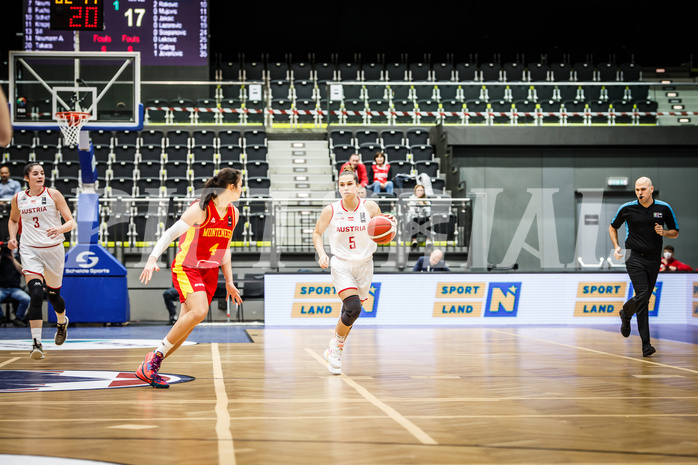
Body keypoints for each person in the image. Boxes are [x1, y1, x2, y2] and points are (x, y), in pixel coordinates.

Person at [136, 168, 244, 388]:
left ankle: (149, 367)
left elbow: (225, 250)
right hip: (188, 267)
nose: (242, 189)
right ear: (231, 187)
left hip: (210, 271)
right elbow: (170, 233)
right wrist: (152, 258)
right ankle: (154, 357)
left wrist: (229, 281)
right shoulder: (200, 208)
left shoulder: (234, 213)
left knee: (187, 324)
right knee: (200, 311)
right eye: (241, 185)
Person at [313, 168, 393, 375]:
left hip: (365, 264)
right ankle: (337, 349)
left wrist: (391, 225)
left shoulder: (370, 207)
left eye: (350, 184)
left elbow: (385, 228)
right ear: (338, 187)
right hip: (341, 264)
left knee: (350, 313)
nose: (345, 188)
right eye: (342, 184)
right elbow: (317, 233)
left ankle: (334, 345)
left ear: (358, 186)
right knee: (353, 308)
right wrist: (322, 253)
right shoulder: (331, 210)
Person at [8, 162, 75, 359]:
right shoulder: (18, 198)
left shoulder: (53, 194)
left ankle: (62, 322)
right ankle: (36, 344)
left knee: (54, 296)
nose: (40, 176)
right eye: (35, 173)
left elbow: (71, 221)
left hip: (53, 250)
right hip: (29, 250)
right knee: (36, 294)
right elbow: (13, 220)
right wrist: (13, 237)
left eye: (42, 173)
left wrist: (59, 229)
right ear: (27, 178)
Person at [609, 176, 679, 357]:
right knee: (642, 295)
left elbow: (675, 232)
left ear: (651, 189)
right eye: (637, 189)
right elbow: (612, 227)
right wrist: (617, 247)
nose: (640, 192)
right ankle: (644, 341)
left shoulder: (663, 208)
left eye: (643, 189)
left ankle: (627, 315)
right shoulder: (627, 208)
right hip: (632, 256)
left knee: (644, 298)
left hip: (653, 258)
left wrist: (664, 232)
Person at [0, 242, 31, 326]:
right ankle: (1, 318)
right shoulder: (1, 259)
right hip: (2, 288)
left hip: (15, 288)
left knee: (26, 299)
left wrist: (13, 259)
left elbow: (22, 271)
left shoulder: (17, 259)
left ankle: (18, 318)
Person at [407, 184, 432, 250]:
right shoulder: (412, 200)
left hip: (424, 220)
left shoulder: (427, 200)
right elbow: (412, 213)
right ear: (415, 191)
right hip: (414, 220)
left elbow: (428, 213)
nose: (420, 192)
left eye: (421, 190)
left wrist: (423, 205)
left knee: (428, 219)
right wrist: (418, 205)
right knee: (415, 219)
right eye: (418, 190)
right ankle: (414, 240)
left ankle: (428, 240)